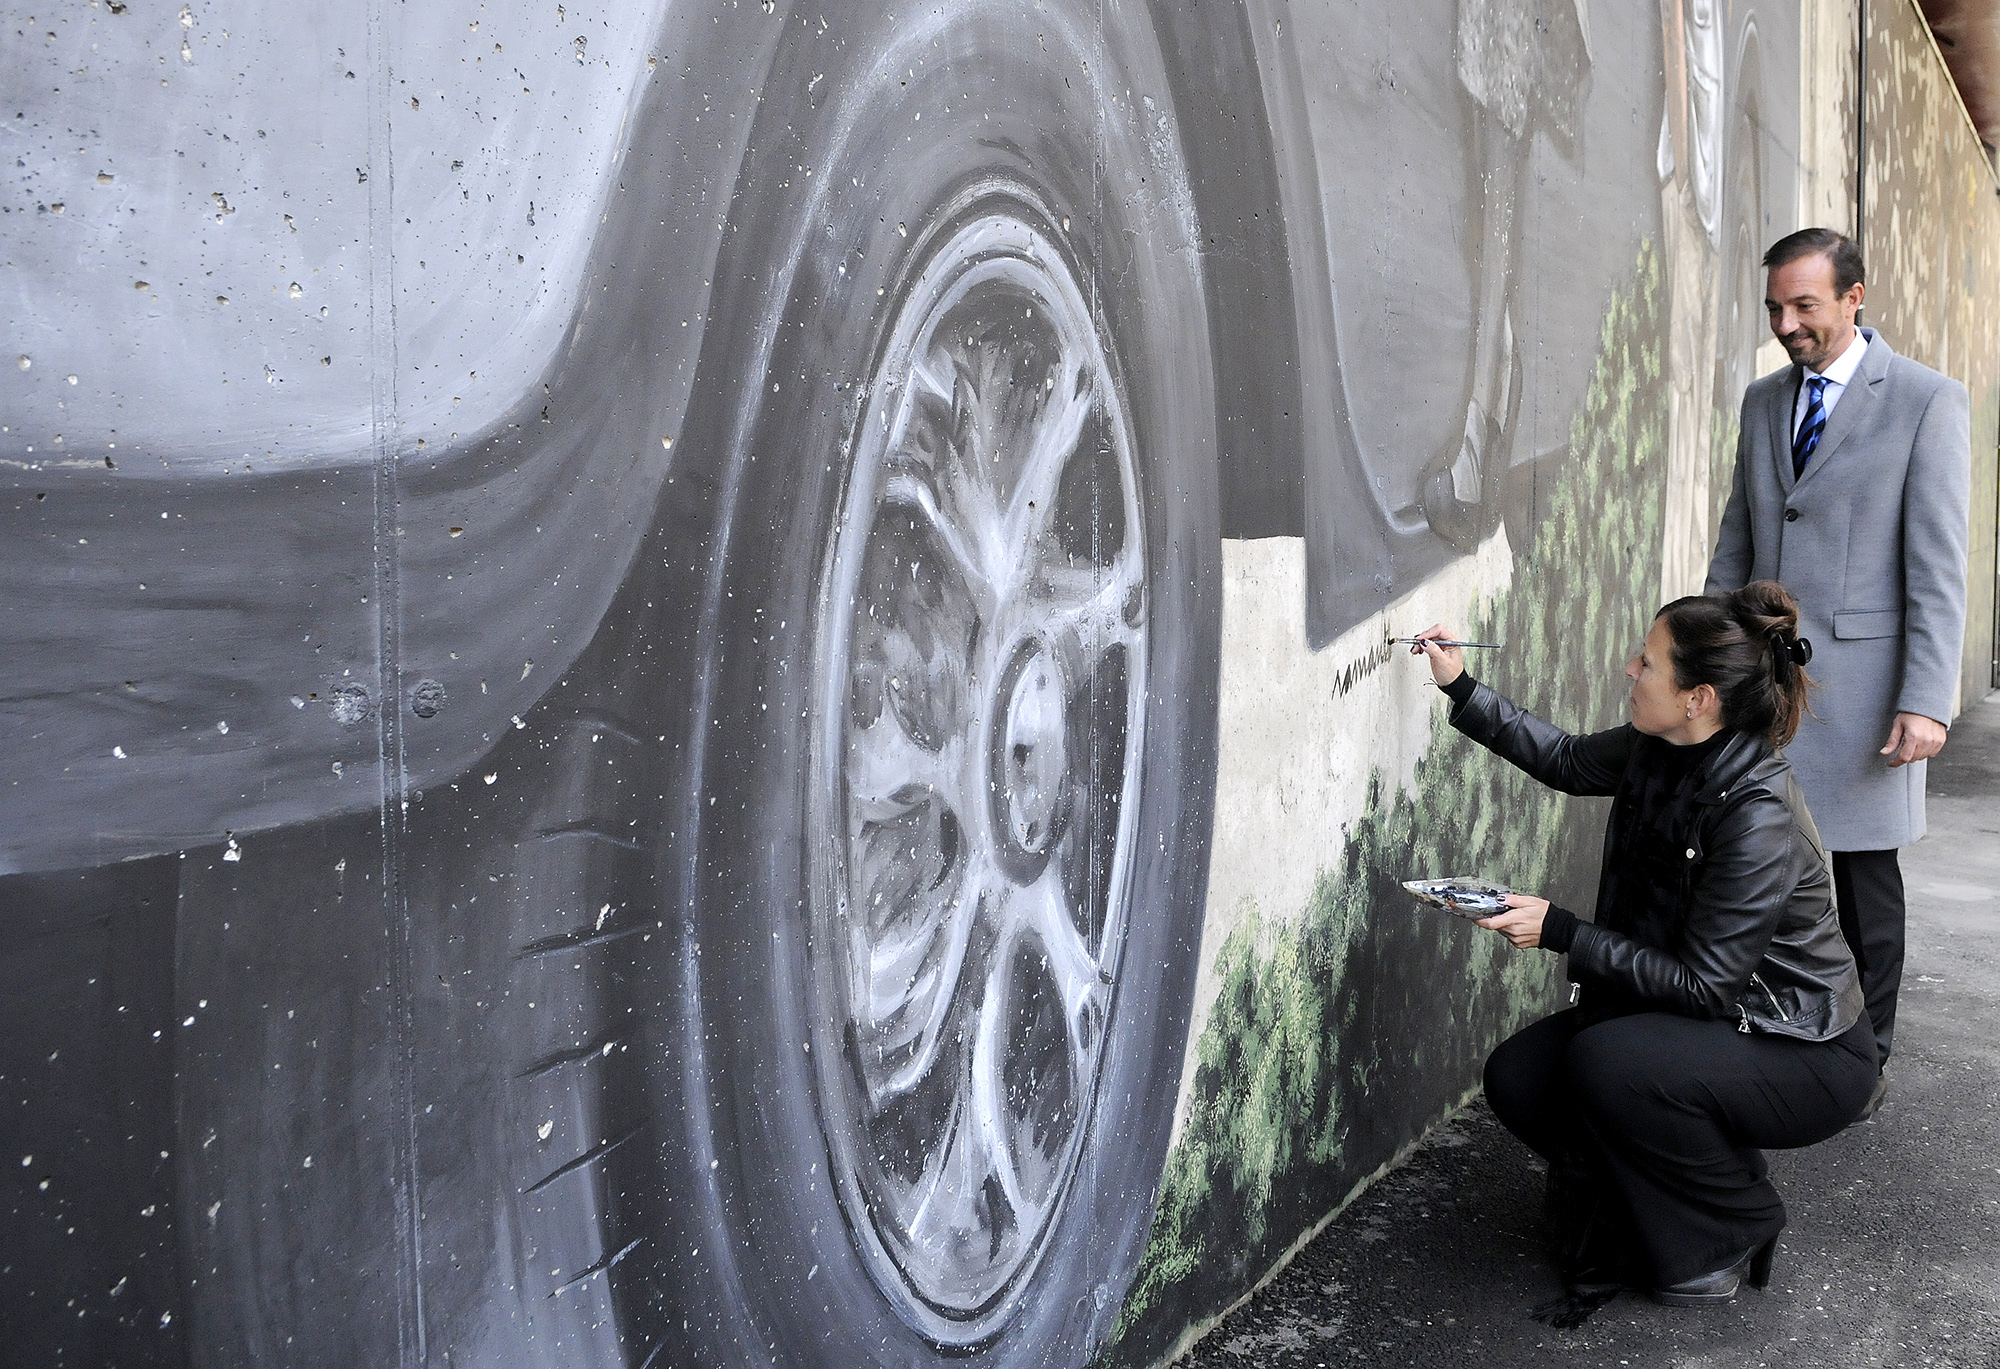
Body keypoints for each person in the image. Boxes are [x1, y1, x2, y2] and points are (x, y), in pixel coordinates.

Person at [1410, 586, 1873, 1320]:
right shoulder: (1658, 746)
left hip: (1799, 1044)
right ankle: (1672, 1190)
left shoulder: (1756, 813)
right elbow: (1565, 760)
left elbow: (1705, 986)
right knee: (1521, 1077)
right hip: (1715, 1020)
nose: (1630, 668)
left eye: (1648, 662)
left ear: (1698, 698)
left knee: (1610, 1064)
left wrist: (1562, 931)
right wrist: (1459, 685)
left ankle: (1731, 1225)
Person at [1705, 227, 1971, 1121]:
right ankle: (1771, 1037)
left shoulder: (1927, 401)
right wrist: (1708, 660)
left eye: (1804, 306)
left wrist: (1926, 700)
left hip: (1861, 695)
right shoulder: (1762, 401)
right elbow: (1737, 543)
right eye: (1774, 308)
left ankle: (1865, 1062)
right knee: (1755, 867)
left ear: (1855, 297)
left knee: (1860, 884)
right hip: (1766, 694)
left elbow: (1938, 568)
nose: (1786, 324)